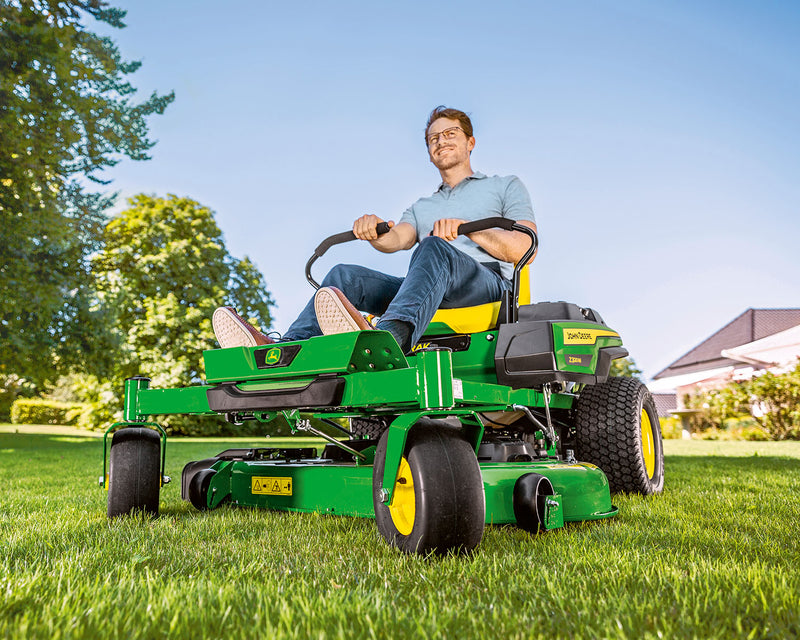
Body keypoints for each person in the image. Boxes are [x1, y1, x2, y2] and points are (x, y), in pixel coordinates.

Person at [213, 106, 537, 353]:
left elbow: (525, 248)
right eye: (433, 138)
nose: (441, 141)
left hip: (487, 284)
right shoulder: (422, 207)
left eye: (450, 133)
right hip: (427, 286)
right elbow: (398, 239)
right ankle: (288, 350)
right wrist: (376, 232)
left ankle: (388, 340)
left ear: (470, 142)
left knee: (434, 247)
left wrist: (470, 229)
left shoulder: (504, 186)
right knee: (344, 276)